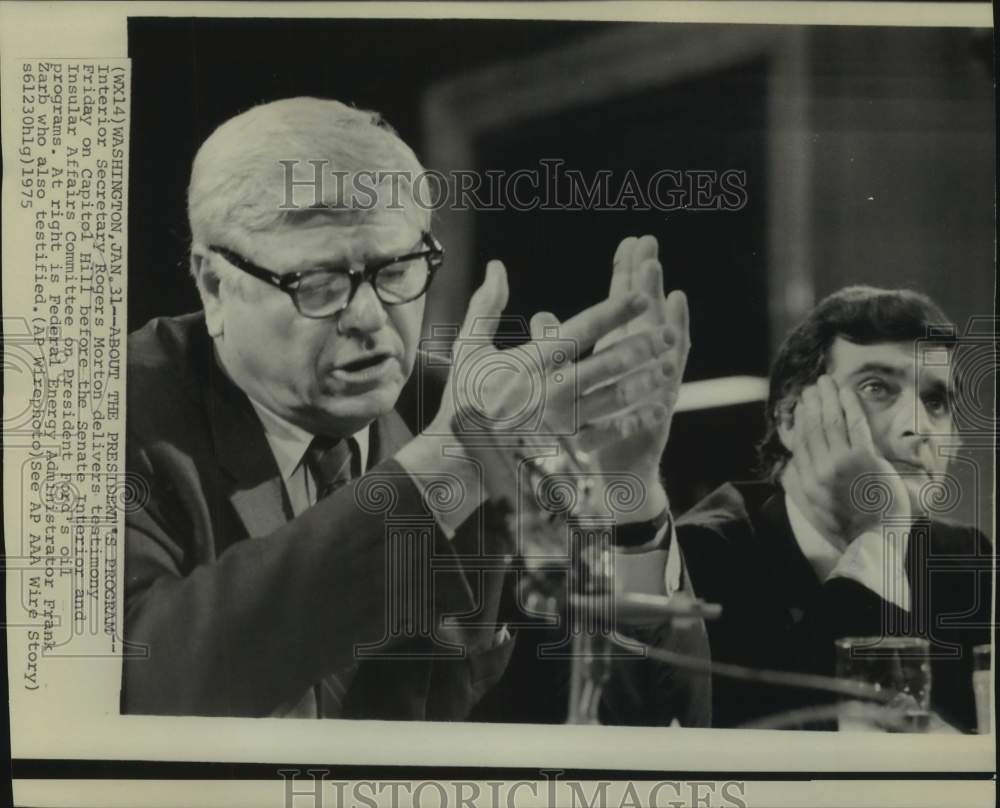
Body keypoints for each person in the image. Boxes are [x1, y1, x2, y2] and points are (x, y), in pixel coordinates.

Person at [122, 97, 707, 722]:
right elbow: (140, 684)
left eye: (397, 271)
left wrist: (629, 506)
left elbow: (644, 724)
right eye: (318, 283)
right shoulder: (105, 413)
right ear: (214, 285)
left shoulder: (463, 409)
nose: (369, 317)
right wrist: (443, 466)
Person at [673, 286, 992, 730]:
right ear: (790, 418)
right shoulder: (702, 555)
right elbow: (797, 744)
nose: (919, 427)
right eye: (877, 387)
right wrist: (878, 536)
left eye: (935, 402)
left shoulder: (966, 559)